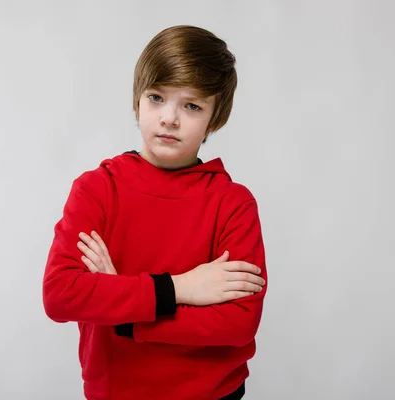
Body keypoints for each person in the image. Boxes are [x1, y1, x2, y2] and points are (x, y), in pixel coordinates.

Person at [42, 25, 268, 400]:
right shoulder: (97, 189)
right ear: (137, 101)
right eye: (157, 97)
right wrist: (182, 287)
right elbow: (61, 294)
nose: (169, 118)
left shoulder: (234, 204)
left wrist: (124, 312)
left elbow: (238, 322)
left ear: (215, 119)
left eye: (192, 105)